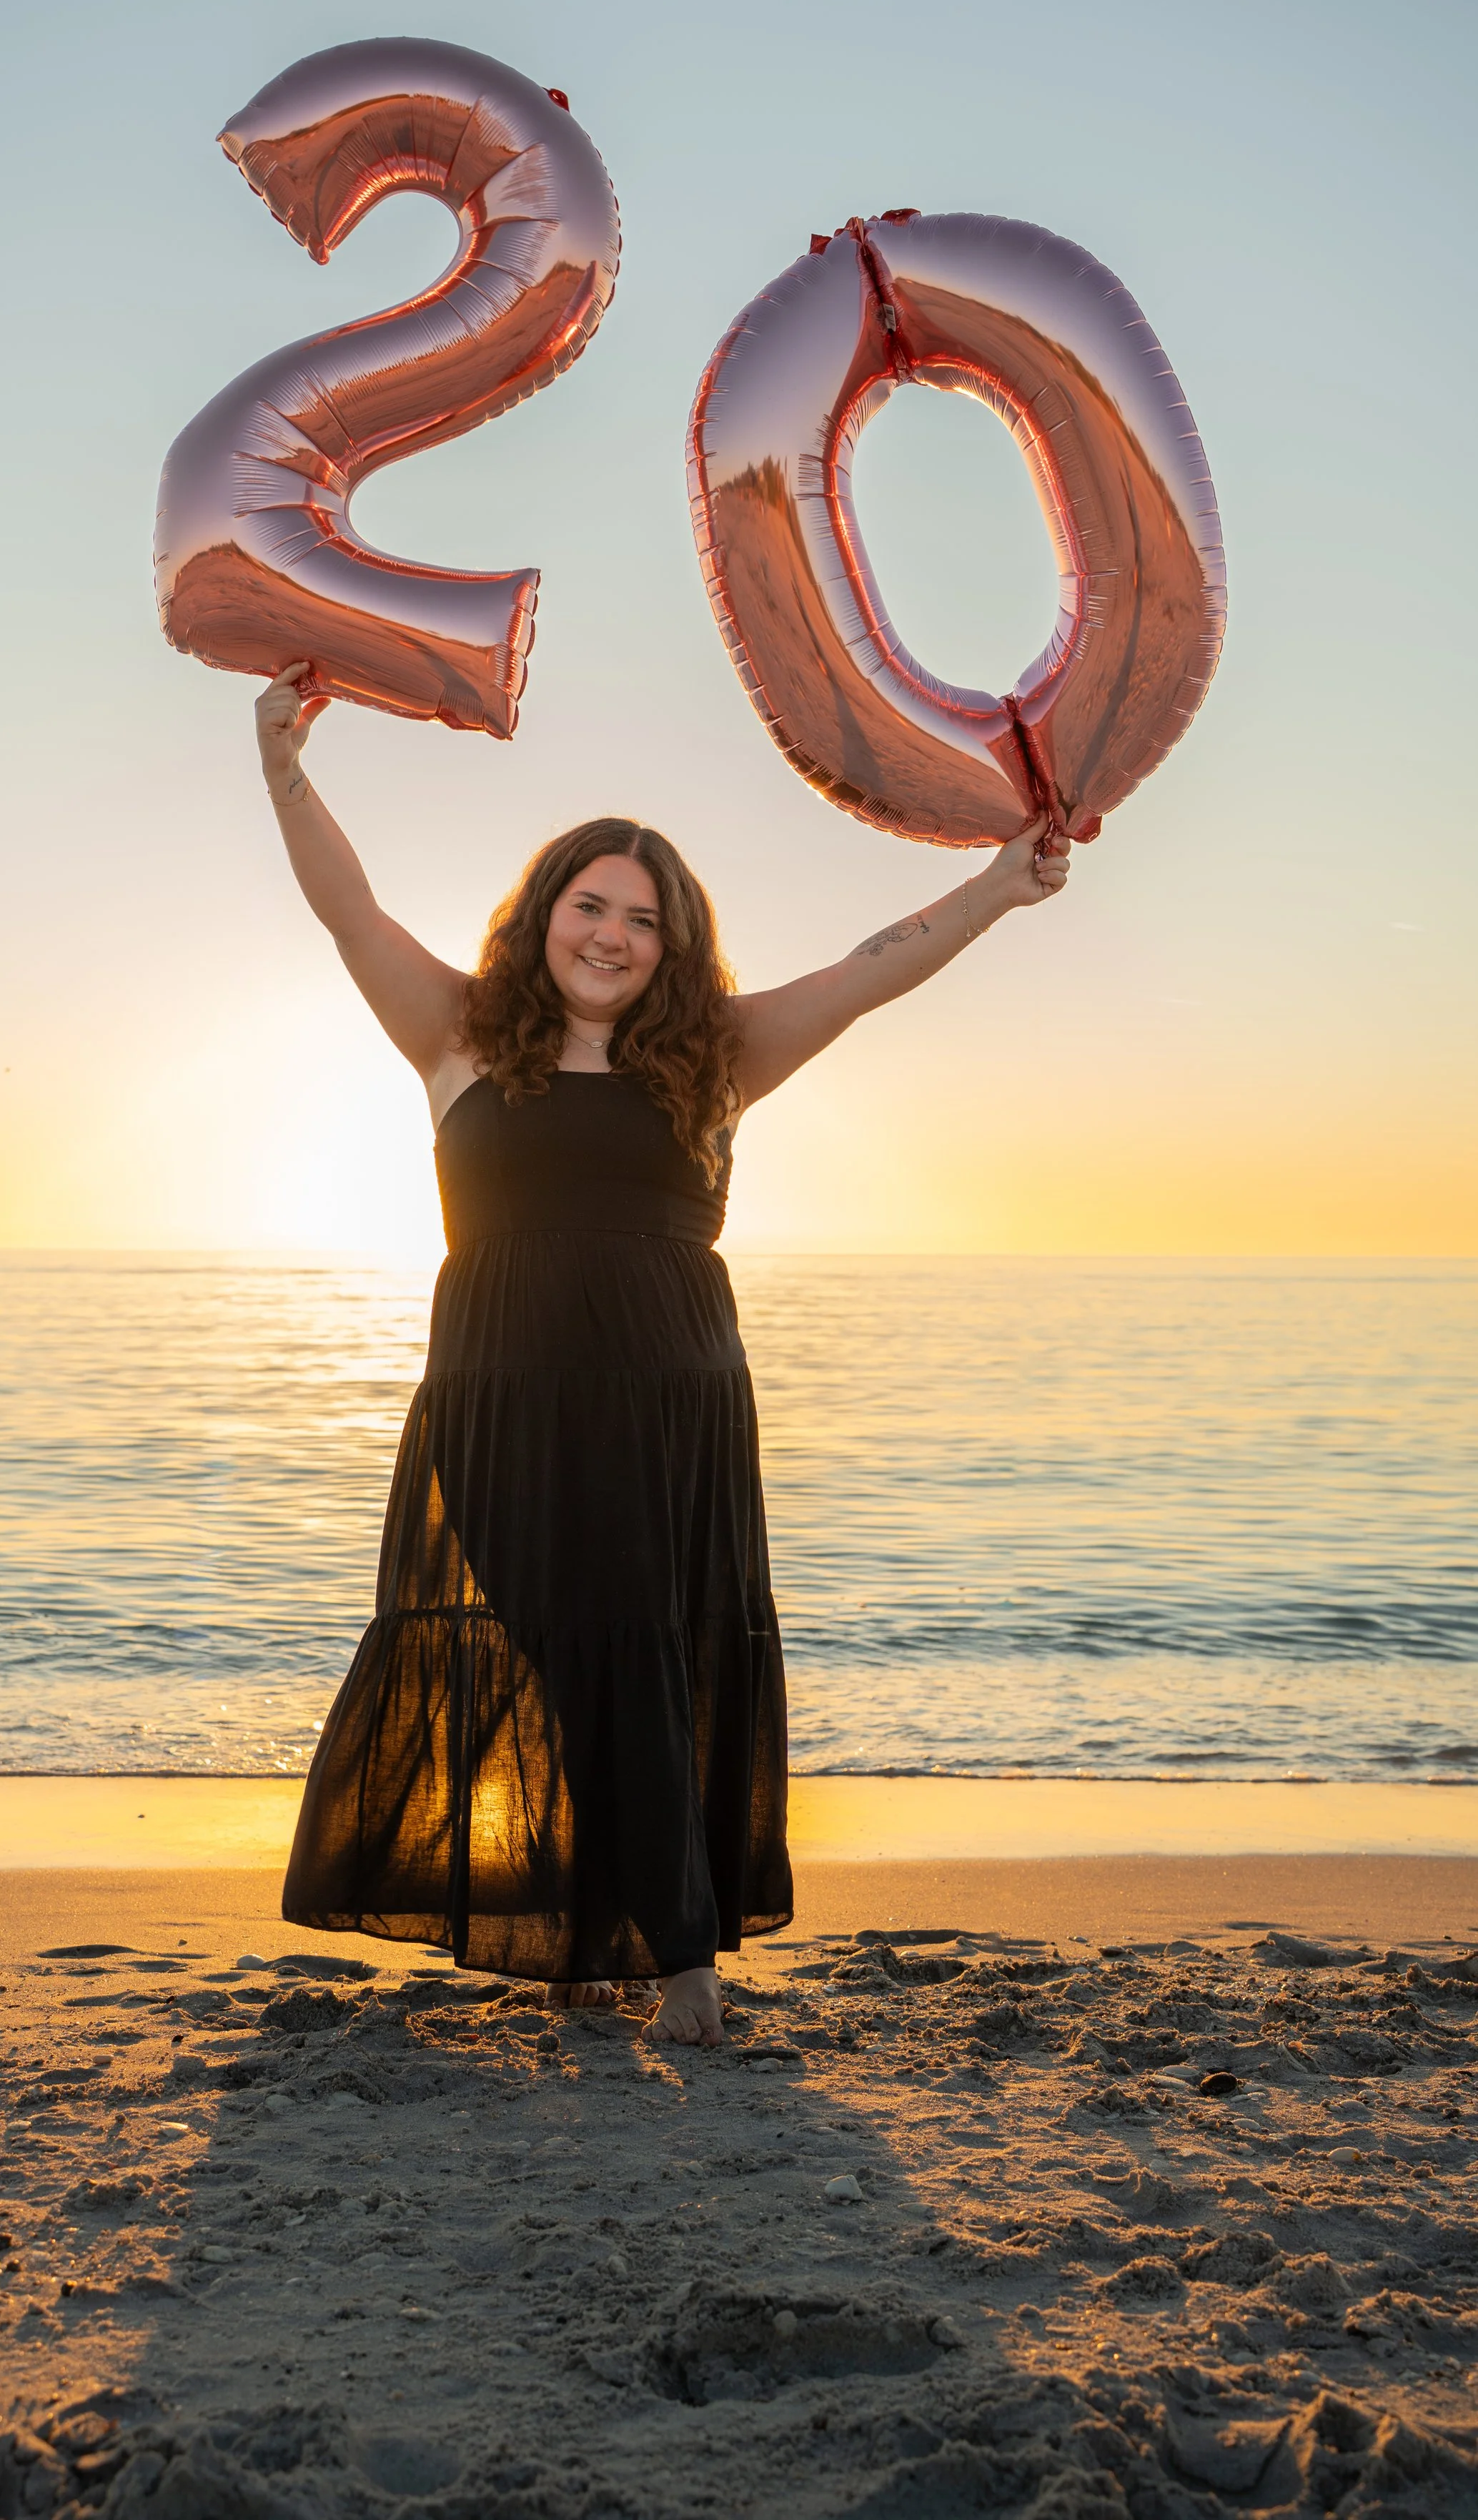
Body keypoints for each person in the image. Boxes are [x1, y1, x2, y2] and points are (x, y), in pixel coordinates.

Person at [262, 667, 1069, 2046]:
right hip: (501, 1405)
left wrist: (1000, 887)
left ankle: (679, 1956)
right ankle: (597, 1936)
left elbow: (873, 973)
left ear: (674, 946)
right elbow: (349, 909)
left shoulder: (720, 1060)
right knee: (565, 1662)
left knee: (647, 1652)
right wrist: (285, 763)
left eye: (644, 919)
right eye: (592, 905)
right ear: (543, 915)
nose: (613, 935)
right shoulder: (458, 1040)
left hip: (671, 1404)